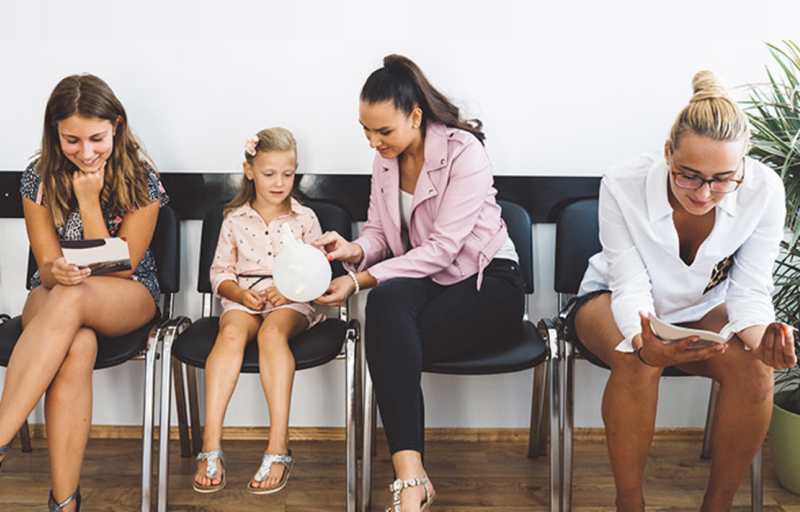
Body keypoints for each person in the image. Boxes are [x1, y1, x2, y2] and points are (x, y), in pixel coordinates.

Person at [566, 71, 797, 512]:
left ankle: (718, 506)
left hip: (703, 307)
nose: (704, 193)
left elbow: (749, 292)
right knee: (639, 361)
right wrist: (645, 341)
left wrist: (764, 341)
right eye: (688, 176)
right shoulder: (622, 183)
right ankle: (628, 504)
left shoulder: (764, 190)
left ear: (743, 165)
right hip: (610, 297)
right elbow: (629, 284)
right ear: (667, 153)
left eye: (722, 179)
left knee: (755, 371)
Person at [314, 55, 525, 512]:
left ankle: (411, 486)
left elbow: (444, 249)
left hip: (489, 281)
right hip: (426, 278)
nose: (374, 142)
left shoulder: (465, 152)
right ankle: (413, 479)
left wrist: (357, 282)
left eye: (384, 132)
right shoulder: (383, 162)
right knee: (386, 308)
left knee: (390, 341)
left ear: (415, 117)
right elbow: (379, 235)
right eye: (366, 131)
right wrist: (351, 251)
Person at [0, 74, 168, 512]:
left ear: (116, 125)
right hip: (56, 290)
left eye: (97, 138)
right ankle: (65, 501)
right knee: (77, 341)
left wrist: (89, 200)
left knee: (76, 299)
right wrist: (55, 269)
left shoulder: (141, 178)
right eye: (72, 140)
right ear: (55, 132)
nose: (86, 152)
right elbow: (46, 267)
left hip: (126, 293)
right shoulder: (37, 176)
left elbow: (114, 270)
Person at [193, 127, 323, 495]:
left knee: (271, 332)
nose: (280, 183)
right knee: (231, 332)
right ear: (250, 171)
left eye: (288, 174)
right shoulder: (234, 219)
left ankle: (278, 445)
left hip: (290, 299)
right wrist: (240, 294)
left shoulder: (305, 219)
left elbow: (317, 273)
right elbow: (220, 272)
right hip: (244, 296)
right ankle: (211, 444)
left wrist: (288, 290)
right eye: (269, 174)